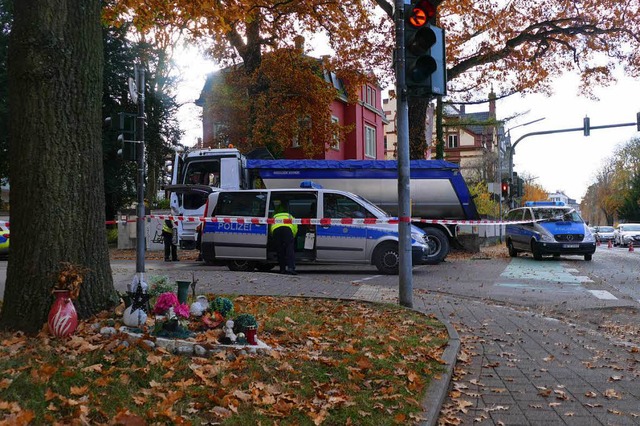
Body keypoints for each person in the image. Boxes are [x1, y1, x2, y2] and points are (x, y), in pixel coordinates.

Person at [269, 203, 298, 275]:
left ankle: (282, 269)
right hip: (287, 230)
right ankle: (290, 268)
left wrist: (273, 236)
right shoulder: (289, 216)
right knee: (289, 249)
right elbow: (295, 227)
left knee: (280, 250)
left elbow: (271, 228)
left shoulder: (274, 217)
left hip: (276, 231)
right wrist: (292, 236)